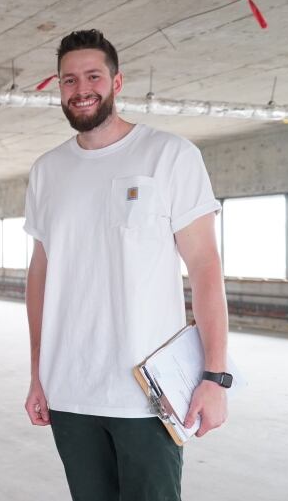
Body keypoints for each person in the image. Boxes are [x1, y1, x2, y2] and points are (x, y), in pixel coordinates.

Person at [23, 29, 230, 501]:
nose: (81, 89)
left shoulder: (169, 155)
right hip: (69, 390)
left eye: (93, 75)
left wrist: (215, 377)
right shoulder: (47, 171)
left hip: (147, 395)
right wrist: (37, 372)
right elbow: (41, 274)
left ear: (117, 82)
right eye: (69, 80)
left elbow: (204, 266)